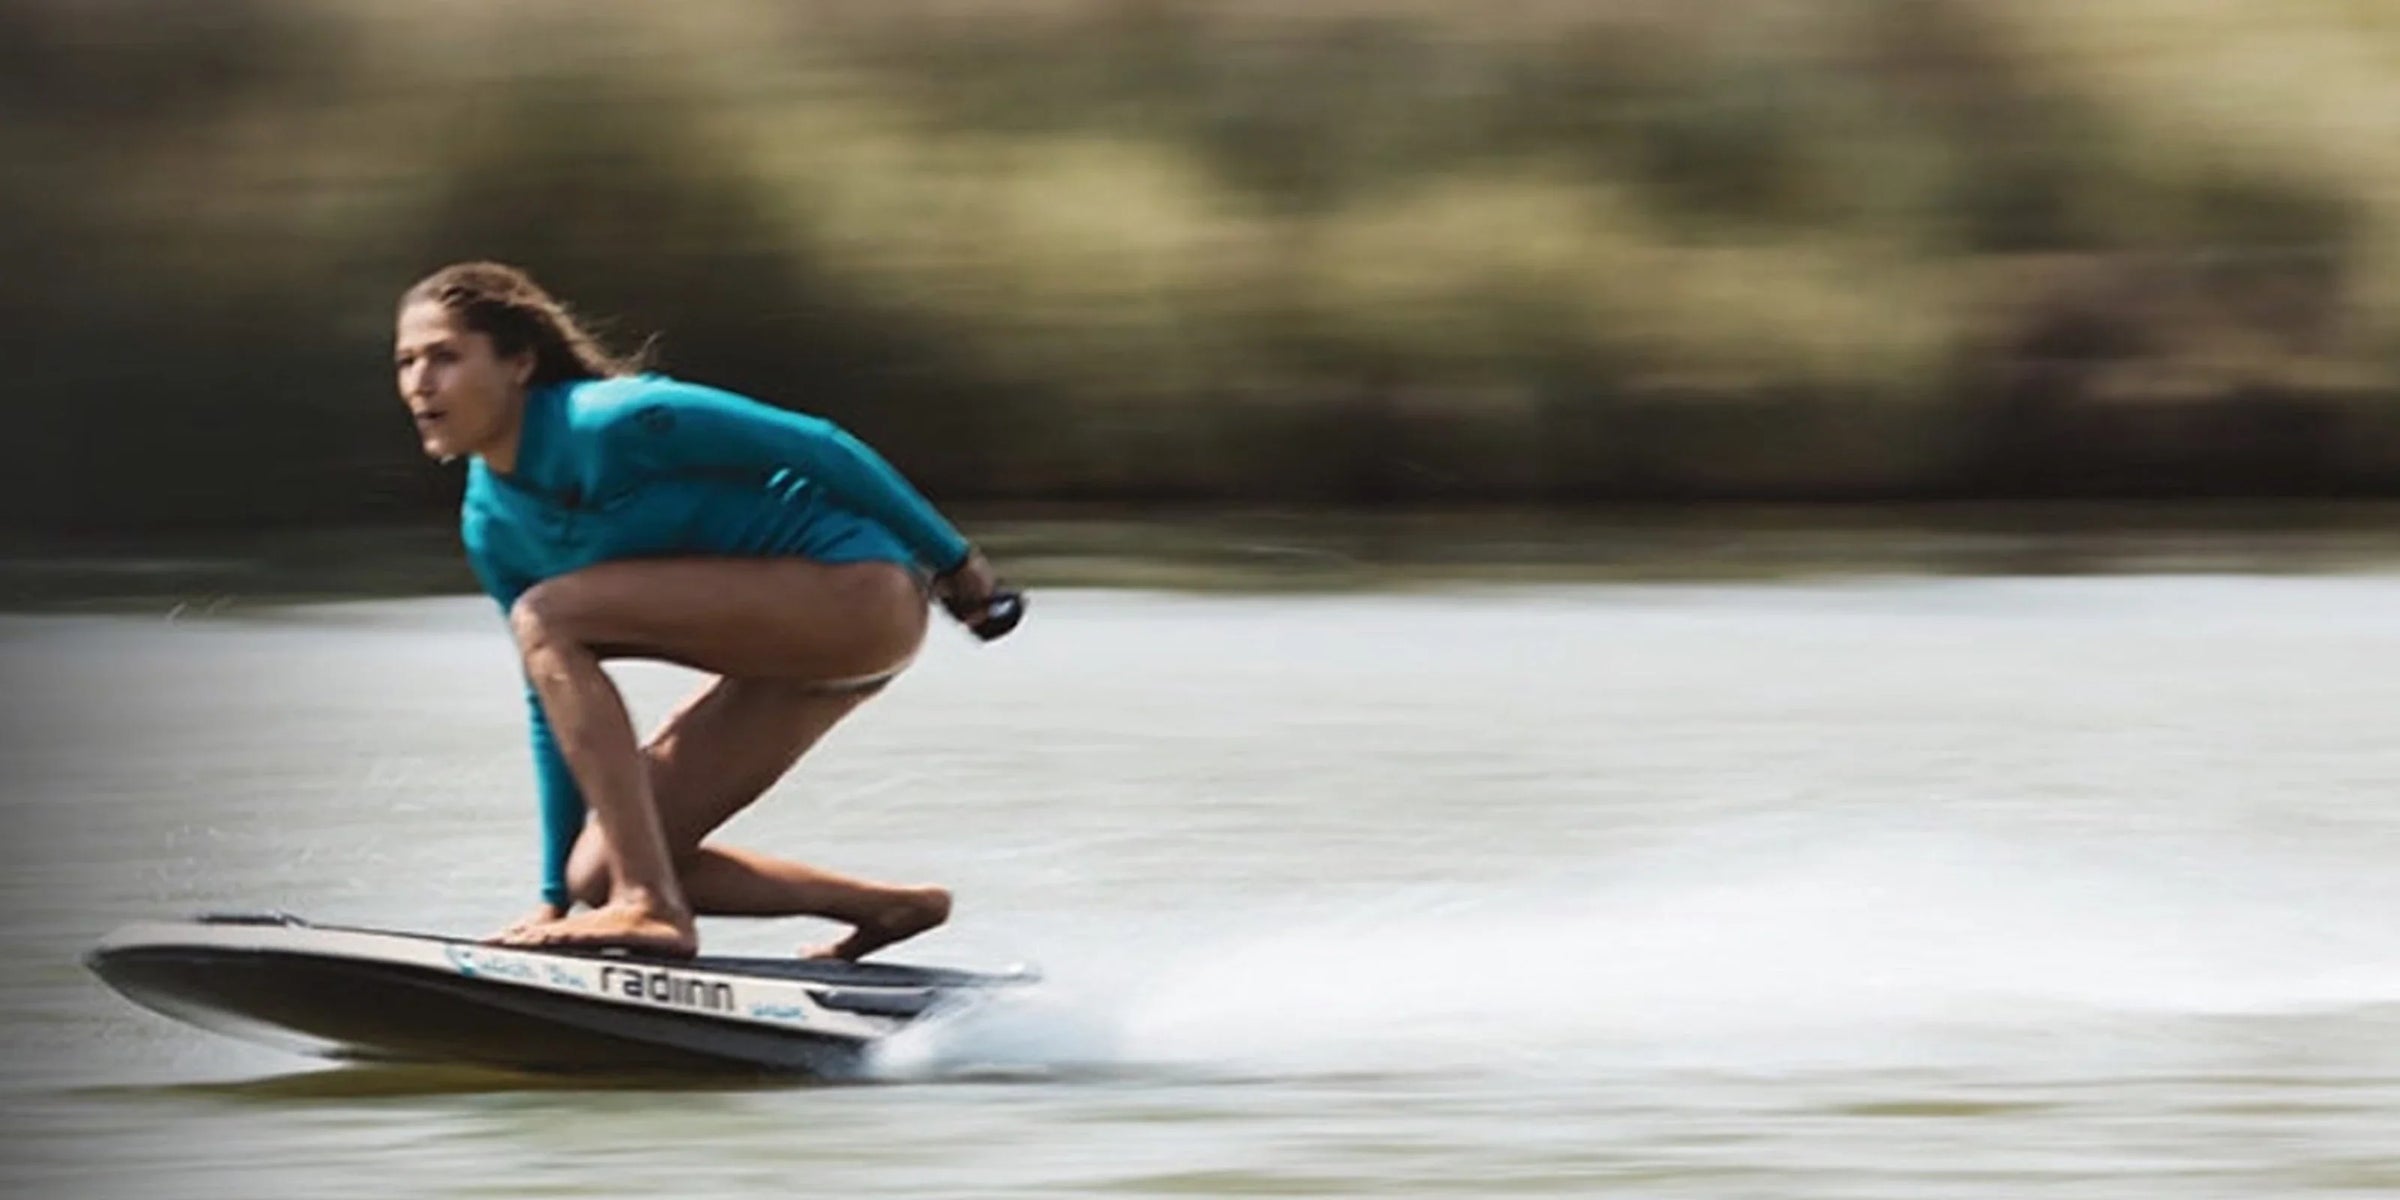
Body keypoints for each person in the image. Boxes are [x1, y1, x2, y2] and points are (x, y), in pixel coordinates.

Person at [392, 261, 1019, 960]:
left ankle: (649, 906)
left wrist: (956, 565)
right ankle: (889, 909)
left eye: (444, 357)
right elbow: (551, 700)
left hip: (857, 593)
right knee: (597, 869)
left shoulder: (614, 422)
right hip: (790, 656)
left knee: (549, 616)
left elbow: (817, 445)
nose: (420, 382)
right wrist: (551, 895)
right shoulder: (489, 523)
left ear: (518, 362)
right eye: (406, 362)